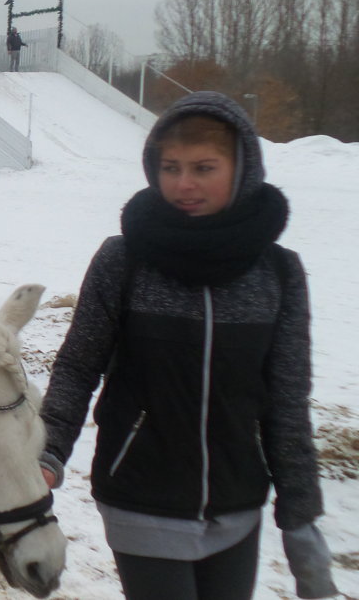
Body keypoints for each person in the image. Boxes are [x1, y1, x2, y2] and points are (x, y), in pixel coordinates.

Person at [38, 91, 337, 600]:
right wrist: (46, 452)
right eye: (170, 167)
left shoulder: (278, 273)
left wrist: (301, 520)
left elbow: (287, 403)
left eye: (203, 167)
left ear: (242, 167)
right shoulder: (123, 261)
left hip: (238, 506)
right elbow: (77, 366)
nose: (183, 184)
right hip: (141, 497)